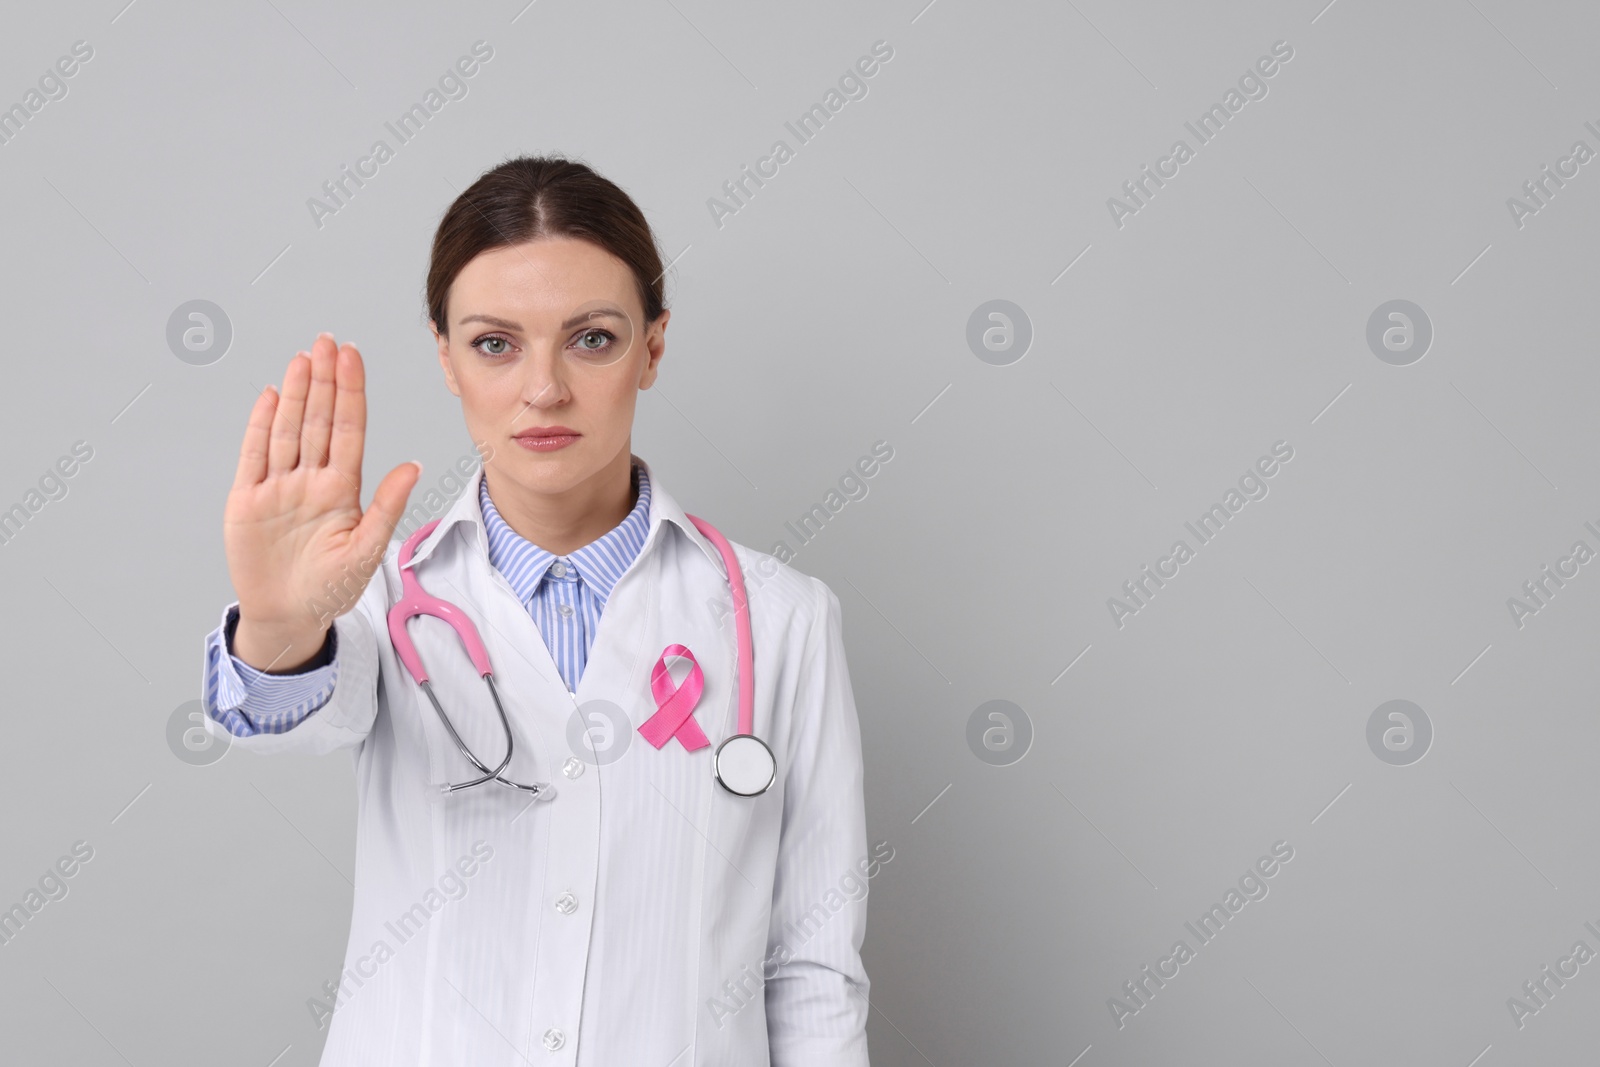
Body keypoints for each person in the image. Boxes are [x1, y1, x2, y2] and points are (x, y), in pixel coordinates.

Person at [199, 155, 873, 1065]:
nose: (544, 389)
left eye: (591, 338)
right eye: (495, 343)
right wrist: (281, 625)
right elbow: (292, 712)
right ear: (445, 357)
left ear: (654, 348)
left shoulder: (782, 619)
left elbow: (812, 967)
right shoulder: (381, 599)